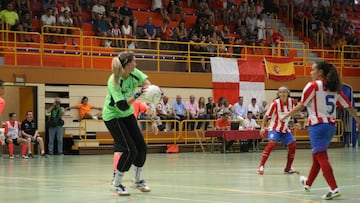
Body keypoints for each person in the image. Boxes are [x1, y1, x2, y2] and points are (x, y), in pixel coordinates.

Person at [280, 61, 360, 200]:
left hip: (317, 126)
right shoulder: (335, 88)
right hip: (330, 127)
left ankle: (334, 188)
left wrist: (285, 116)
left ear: (320, 72)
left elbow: (301, 105)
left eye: (312, 70)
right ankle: (308, 184)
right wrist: (359, 120)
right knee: (317, 157)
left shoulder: (313, 86)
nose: (310, 73)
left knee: (322, 156)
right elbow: (349, 107)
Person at [103, 51, 152, 196]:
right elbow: (122, 105)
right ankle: (116, 184)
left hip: (127, 115)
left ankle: (136, 181)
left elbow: (146, 82)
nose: (136, 64)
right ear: (127, 64)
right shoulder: (114, 81)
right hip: (113, 116)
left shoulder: (134, 72)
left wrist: (151, 91)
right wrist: (137, 94)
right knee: (130, 149)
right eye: (134, 61)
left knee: (141, 147)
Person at [257, 86, 299, 175]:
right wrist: (262, 127)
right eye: (280, 92)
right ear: (278, 94)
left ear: (288, 93)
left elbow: (294, 112)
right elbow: (266, 116)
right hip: (274, 128)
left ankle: (288, 169)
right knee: (271, 144)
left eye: (284, 92)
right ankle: (261, 166)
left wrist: (296, 122)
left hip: (285, 130)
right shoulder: (275, 104)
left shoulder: (292, 102)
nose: (282, 94)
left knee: (293, 145)